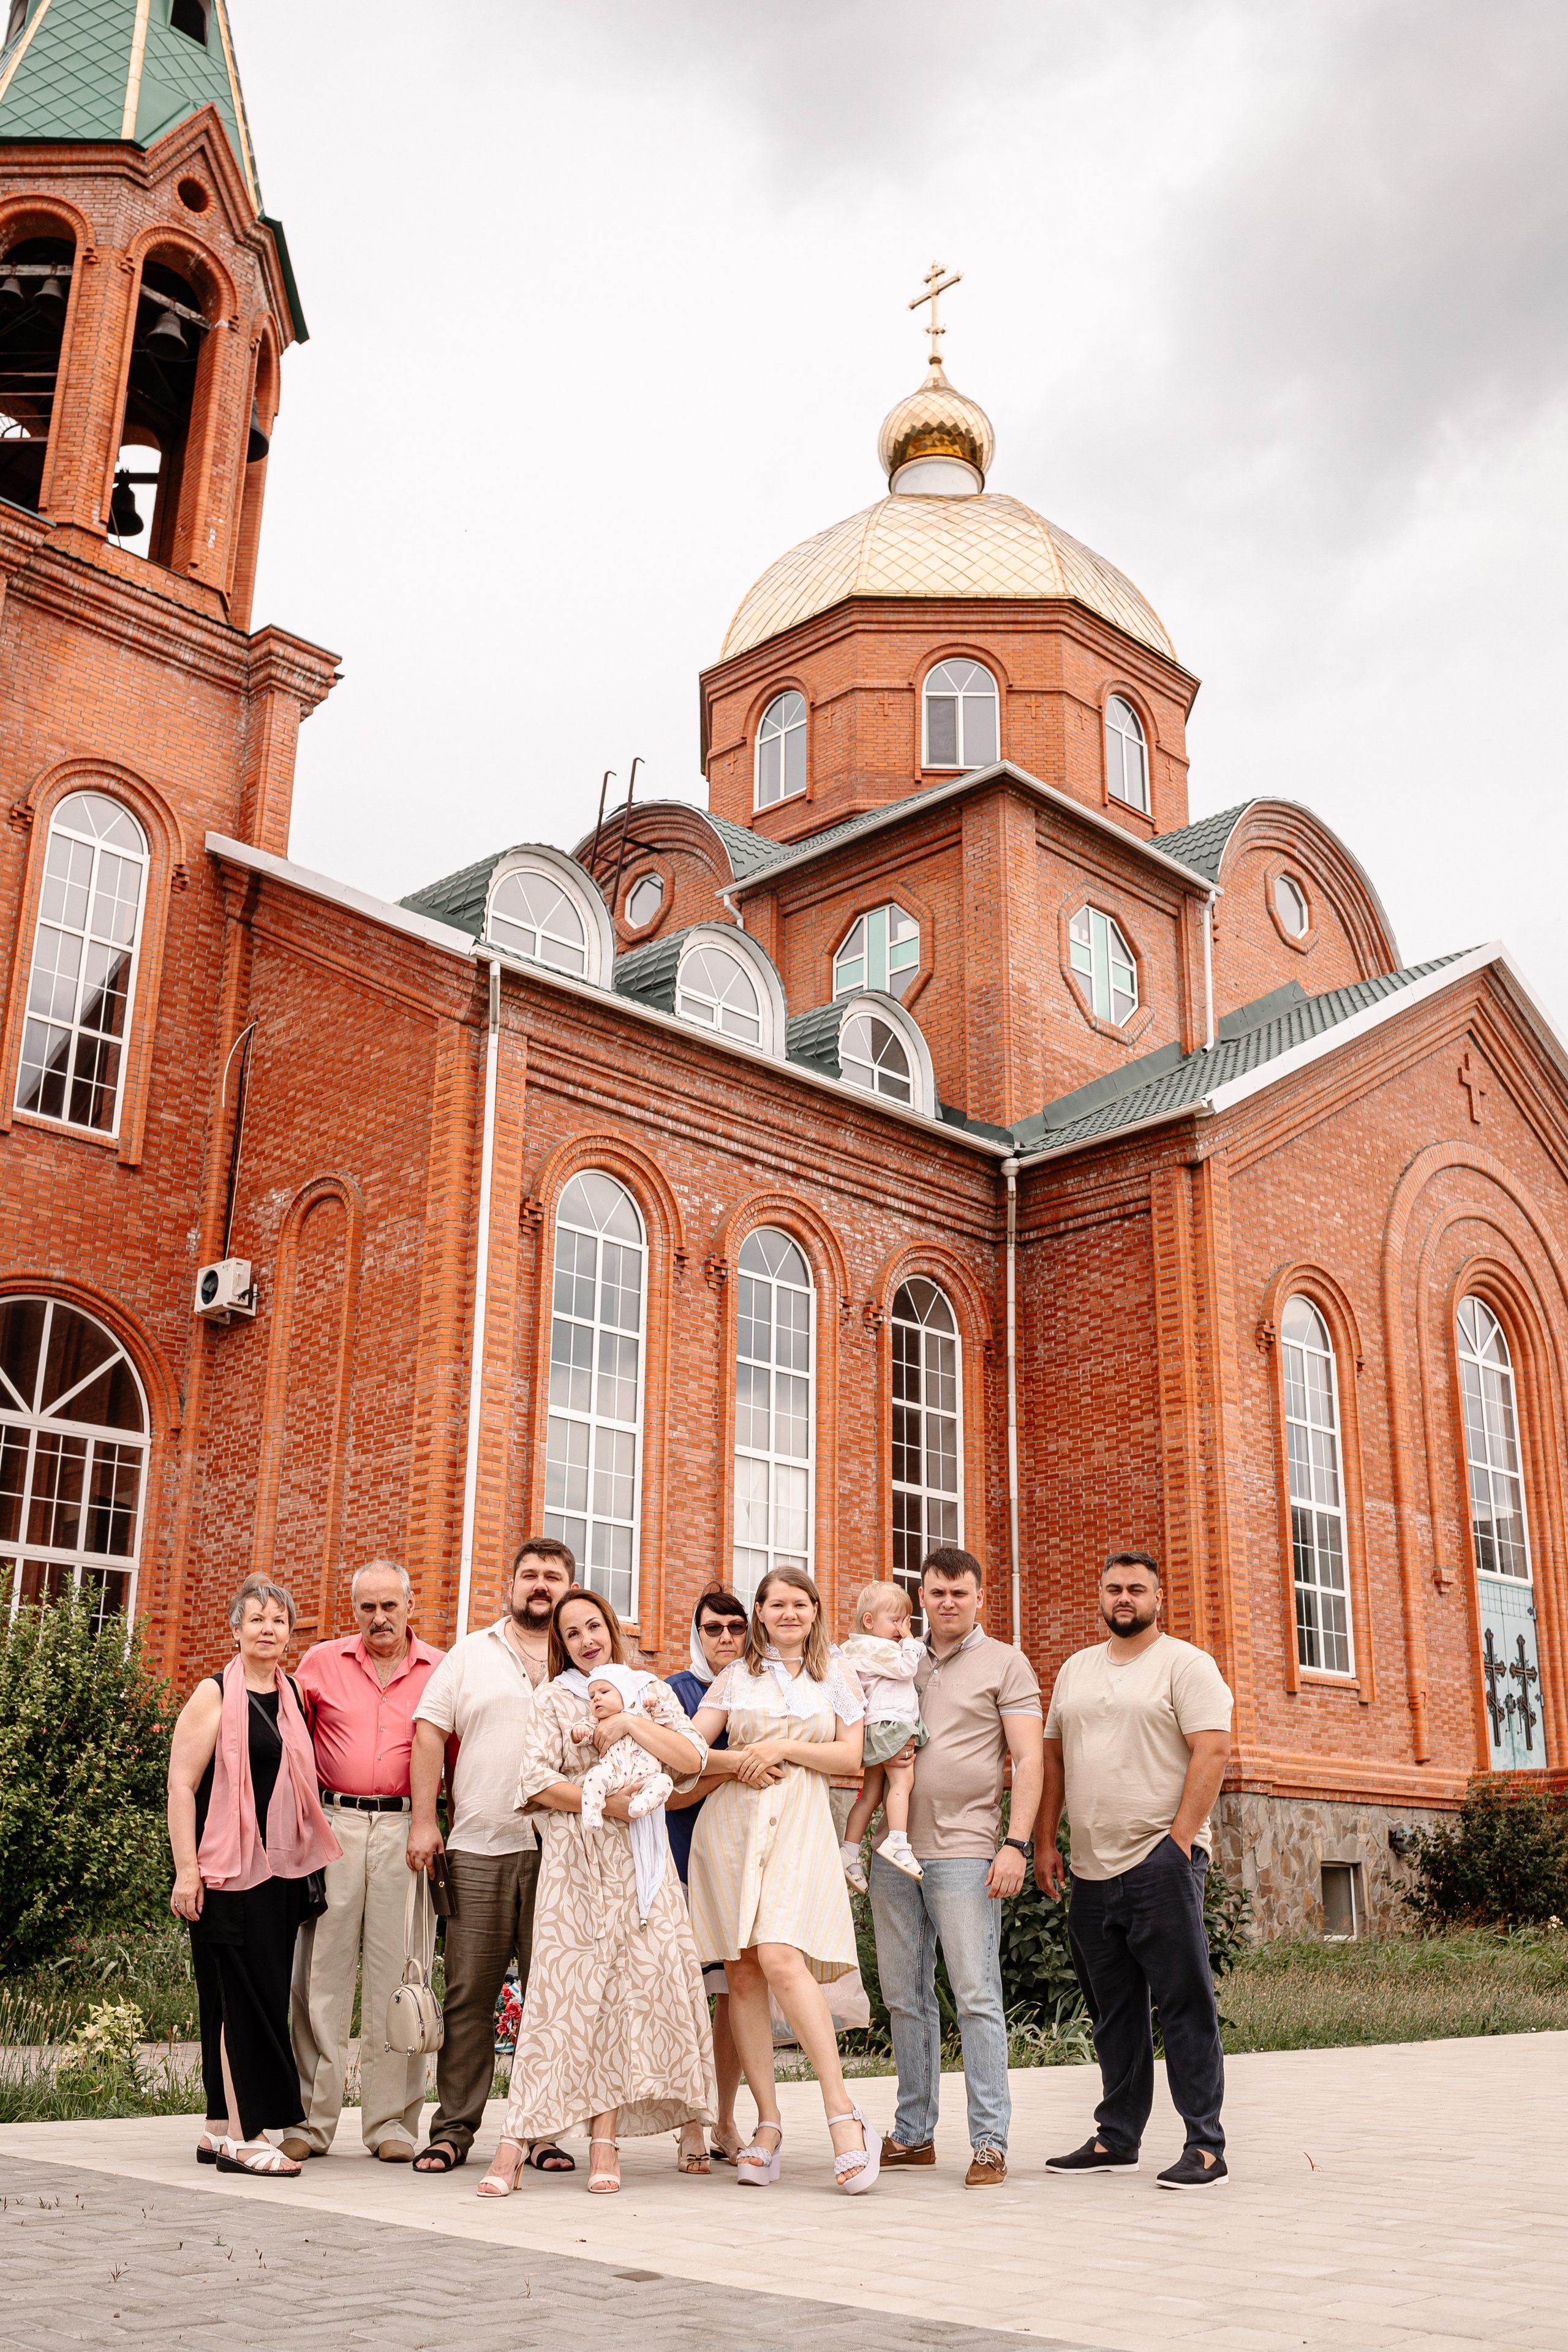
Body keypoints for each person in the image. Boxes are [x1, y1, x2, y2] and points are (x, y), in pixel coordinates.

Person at [481, 1587, 715, 2196]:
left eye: (595, 1626)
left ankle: (614, 2138)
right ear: (560, 1643)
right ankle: (515, 2138)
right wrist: (608, 1804)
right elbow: (534, 1779)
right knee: (559, 1999)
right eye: (573, 1632)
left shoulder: (650, 1691)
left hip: (642, 1869)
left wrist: (632, 1721)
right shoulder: (553, 1700)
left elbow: (691, 1758)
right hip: (576, 1862)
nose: (587, 1639)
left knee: (643, 1992)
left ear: (611, 1628)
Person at [1039, 1549, 1234, 2191]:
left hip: (1160, 1860)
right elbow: (1054, 1765)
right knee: (1113, 2013)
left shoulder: (1185, 1665)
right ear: (1099, 1595)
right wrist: (1046, 1841)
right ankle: (1116, 2137)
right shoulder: (1074, 1670)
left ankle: (1204, 2147)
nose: (1124, 1599)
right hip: (1092, 1871)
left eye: (1136, 1590)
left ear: (1158, 1598)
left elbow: (1211, 1752)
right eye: (1114, 1589)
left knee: (1184, 2005)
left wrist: (1177, 1843)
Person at [687, 1565, 881, 2196]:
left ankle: (841, 2114)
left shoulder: (838, 1677)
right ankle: (766, 2124)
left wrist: (782, 1749)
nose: (790, 1613)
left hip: (799, 1823)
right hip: (731, 1830)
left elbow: (850, 1759)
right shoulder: (732, 1678)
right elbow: (690, 1750)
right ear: (761, 1614)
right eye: (777, 1604)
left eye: (801, 1603)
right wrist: (737, 1761)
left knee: (779, 1955)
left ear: (816, 1611)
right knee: (741, 1969)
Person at [870, 1546, 1042, 2190]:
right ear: (922, 1596)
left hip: (968, 1849)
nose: (947, 1603)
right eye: (936, 1592)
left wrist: (1015, 1844)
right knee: (904, 1999)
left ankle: (990, 2143)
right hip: (895, 1852)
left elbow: (1028, 1761)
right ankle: (913, 2135)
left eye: (959, 1593)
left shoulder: (1005, 1662)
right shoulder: (898, 1661)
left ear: (978, 1598)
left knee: (975, 1996)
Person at [407, 1537, 578, 2177]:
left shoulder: (586, 1660)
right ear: (511, 1585)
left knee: (550, 1998)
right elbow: (428, 1732)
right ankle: (452, 2130)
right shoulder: (471, 1654)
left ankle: (541, 2133)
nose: (541, 1585)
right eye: (530, 1575)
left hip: (564, 1854)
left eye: (553, 1577)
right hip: (478, 1845)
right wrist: (427, 1820)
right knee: (468, 1997)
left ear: (569, 1587)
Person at [167, 1577, 342, 2178]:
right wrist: (187, 1870)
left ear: (290, 1634)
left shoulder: (291, 1693)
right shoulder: (213, 1694)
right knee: (241, 2001)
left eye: (279, 1621)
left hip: (280, 1873)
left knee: (238, 2000)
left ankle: (218, 2128)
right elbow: (181, 1786)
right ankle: (248, 2135)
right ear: (235, 1629)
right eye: (256, 1619)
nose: (268, 1629)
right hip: (224, 1873)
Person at [287, 1560, 443, 2162]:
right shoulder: (320, 1663)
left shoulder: (439, 1670)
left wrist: (431, 1823)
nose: (380, 1619)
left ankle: (390, 2125)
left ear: (410, 1605)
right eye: (367, 1608)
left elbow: (453, 1752)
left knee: (399, 1978)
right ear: (354, 1611)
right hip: (335, 1825)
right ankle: (309, 2121)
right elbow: (288, 1742)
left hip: (408, 1827)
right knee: (320, 1976)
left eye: (390, 1606)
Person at [665, 1589, 747, 2173]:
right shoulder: (675, 1692)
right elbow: (672, 1783)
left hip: (742, 1864)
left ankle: (725, 2117)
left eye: (736, 1628)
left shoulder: (760, 1688)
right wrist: (738, 1765)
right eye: (713, 1628)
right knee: (688, 1999)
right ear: (697, 1633)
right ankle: (689, 2124)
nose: (725, 1639)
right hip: (684, 1860)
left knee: (734, 2000)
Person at [838, 1580, 927, 1888]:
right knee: (903, 1781)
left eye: (907, 1621)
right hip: (892, 1725)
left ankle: (849, 1854)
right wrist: (911, 1642)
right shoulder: (881, 1649)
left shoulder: (856, 1650)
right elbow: (907, 1669)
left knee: (872, 1794)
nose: (903, 1628)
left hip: (876, 1727)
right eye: (897, 1621)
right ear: (869, 1621)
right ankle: (898, 1842)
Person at [572, 1667, 676, 1837]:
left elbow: (670, 1725)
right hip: (614, 1774)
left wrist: (657, 1706)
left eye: (604, 1691)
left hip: (646, 1776)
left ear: (625, 1693)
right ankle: (592, 1814)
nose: (596, 1698)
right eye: (592, 1697)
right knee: (594, 1776)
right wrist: (579, 1732)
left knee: (665, 1781)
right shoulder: (597, 1721)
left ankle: (643, 1803)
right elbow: (585, 1735)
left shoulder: (643, 1715)